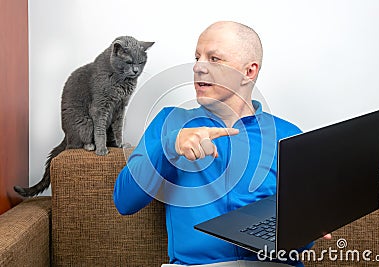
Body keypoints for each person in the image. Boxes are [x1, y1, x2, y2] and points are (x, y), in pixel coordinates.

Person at [113, 21, 330, 267]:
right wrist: (170, 146)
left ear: (248, 72)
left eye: (214, 59)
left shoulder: (288, 135)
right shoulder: (170, 123)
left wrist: (307, 228)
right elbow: (125, 201)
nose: (198, 67)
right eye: (197, 58)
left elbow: (303, 241)